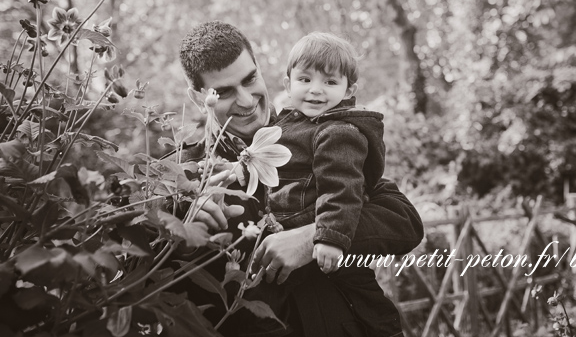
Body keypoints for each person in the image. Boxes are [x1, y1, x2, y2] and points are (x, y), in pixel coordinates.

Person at [177, 21, 423, 336]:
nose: (247, 100)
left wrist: (313, 238)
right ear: (199, 97)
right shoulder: (181, 176)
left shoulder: (316, 133)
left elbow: (403, 219)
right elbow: (155, 282)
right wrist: (182, 241)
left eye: (250, 79)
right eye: (223, 92)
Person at [265, 31, 403, 337]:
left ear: (348, 89)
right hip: (294, 253)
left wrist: (329, 237)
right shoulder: (289, 123)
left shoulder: (338, 132)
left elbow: (342, 188)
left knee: (357, 295)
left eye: (330, 82)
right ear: (288, 84)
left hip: (329, 246)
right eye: (305, 80)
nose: (316, 90)